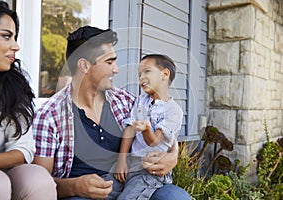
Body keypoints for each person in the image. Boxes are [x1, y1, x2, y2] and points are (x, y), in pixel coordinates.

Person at [33, 26, 190, 200]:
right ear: (84, 65)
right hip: (83, 195)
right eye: (109, 62)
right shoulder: (49, 116)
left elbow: (163, 131)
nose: (116, 69)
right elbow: (39, 185)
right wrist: (74, 186)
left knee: (175, 197)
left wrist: (172, 156)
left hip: (132, 181)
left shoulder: (124, 101)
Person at [0, 1, 57, 200]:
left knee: (37, 179)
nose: (16, 46)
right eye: (6, 36)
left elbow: (23, 150)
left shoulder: (11, 89)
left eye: (15, 37)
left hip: (1, 172)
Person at [114, 54, 184, 199]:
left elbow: (155, 141)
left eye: (147, 72)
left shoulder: (173, 111)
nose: (141, 78)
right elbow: (129, 128)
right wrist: (121, 160)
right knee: (102, 189)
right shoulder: (141, 101)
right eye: (139, 74)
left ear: (165, 74)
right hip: (130, 163)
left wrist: (146, 129)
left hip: (151, 171)